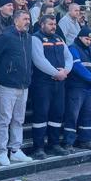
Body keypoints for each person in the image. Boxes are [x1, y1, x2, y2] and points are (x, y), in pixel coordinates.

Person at [0, 10, 34, 166]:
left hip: (23, 85)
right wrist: (1, 78)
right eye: (25, 19)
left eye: (29, 19)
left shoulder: (28, 38)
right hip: (6, 85)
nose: (28, 21)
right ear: (16, 21)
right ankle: (2, 152)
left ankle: (15, 150)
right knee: (4, 120)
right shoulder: (6, 37)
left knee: (19, 120)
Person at [30, 14, 73, 159]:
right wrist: (56, 73)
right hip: (42, 83)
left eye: (54, 24)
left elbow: (68, 57)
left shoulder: (59, 39)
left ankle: (54, 144)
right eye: (50, 24)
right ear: (42, 25)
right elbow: (39, 60)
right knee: (41, 114)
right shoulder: (36, 38)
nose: (53, 27)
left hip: (59, 83)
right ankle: (38, 147)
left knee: (57, 113)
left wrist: (65, 71)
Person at [63, 26, 91, 152]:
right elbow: (77, 66)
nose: (88, 41)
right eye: (86, 39)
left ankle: (85, 140)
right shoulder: (73, 48)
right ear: (80, 37)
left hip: (88, 88)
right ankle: (68, 142)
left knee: (88, 114)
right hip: (76, 87)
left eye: (90, 40)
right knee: (72, 114)